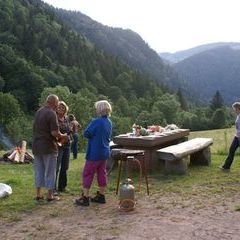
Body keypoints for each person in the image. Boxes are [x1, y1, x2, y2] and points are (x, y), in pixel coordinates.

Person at [75, 100, 112, 206]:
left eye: (97, 108)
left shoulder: (96, 122)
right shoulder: (109, 122)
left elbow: (87, 133)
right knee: (102, 173)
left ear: (100, 110)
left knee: (88, 173)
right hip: (104, 152)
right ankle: (101, 195)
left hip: (94, 153)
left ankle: (85, 197)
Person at [32, 94, 69, 202]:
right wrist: (63, 136)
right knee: (50, 171)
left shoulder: (39, 111)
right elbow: (54, 132)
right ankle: (50, 195)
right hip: (48, 147)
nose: (58, 105)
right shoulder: (51, 113)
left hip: (36, 146)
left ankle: (38, 194)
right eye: (57, 103)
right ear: (54, 102)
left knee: (39, 171)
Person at [55, 101, 71, 193]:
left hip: (67, 145)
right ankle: (52, 188)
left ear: (66, 109)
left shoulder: (66, 118)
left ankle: (62, 186)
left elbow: (69, 130)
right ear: (56, 109)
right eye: (59, 107)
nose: (61, 109)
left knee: (65, 167)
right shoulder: (54, 118)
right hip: (58, 145)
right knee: (56, 167)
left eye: (63, 107)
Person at [220, 102, 240, 171]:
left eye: (234, 108)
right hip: (237, 137)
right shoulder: (238, 115)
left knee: (231, 151)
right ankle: (226, 167)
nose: (233, 110)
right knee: (231, 150)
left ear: (237, 108)